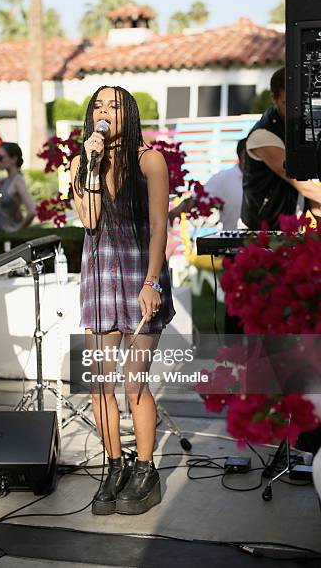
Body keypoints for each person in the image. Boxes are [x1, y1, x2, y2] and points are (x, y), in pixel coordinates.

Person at [70, 86, 175, 516]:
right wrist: (89, 167)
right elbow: (90, 219)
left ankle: (145, 469)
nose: (104, 112)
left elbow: (157, 226)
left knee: (134, 382)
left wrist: (152, 281)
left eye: (113, 105)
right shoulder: (81, 162)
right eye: (98, 105)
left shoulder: (149, 160)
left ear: (128, 113)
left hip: (139, 278)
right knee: (99, 383)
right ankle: (114, 466)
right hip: (99, 280)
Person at [242, 66, 321, 229]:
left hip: (289, 229)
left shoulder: (298, 128)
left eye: (300, 101)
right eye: (288, 103)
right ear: (274, 99)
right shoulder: (263, 136)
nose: (296, 108)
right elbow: (300, 180)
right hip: (261, 232)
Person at [169, 138, 246, 230]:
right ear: (243, 155)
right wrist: (176, 211)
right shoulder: (224, 177)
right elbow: (197, 198)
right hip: (233, 241)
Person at [0, 143, 36, 233]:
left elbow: (32, 210)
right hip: (0, 235)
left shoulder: (17, 180)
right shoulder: (9, 178)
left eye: (0, 158)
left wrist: (17, 229)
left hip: (7, 238)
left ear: (13, 159)